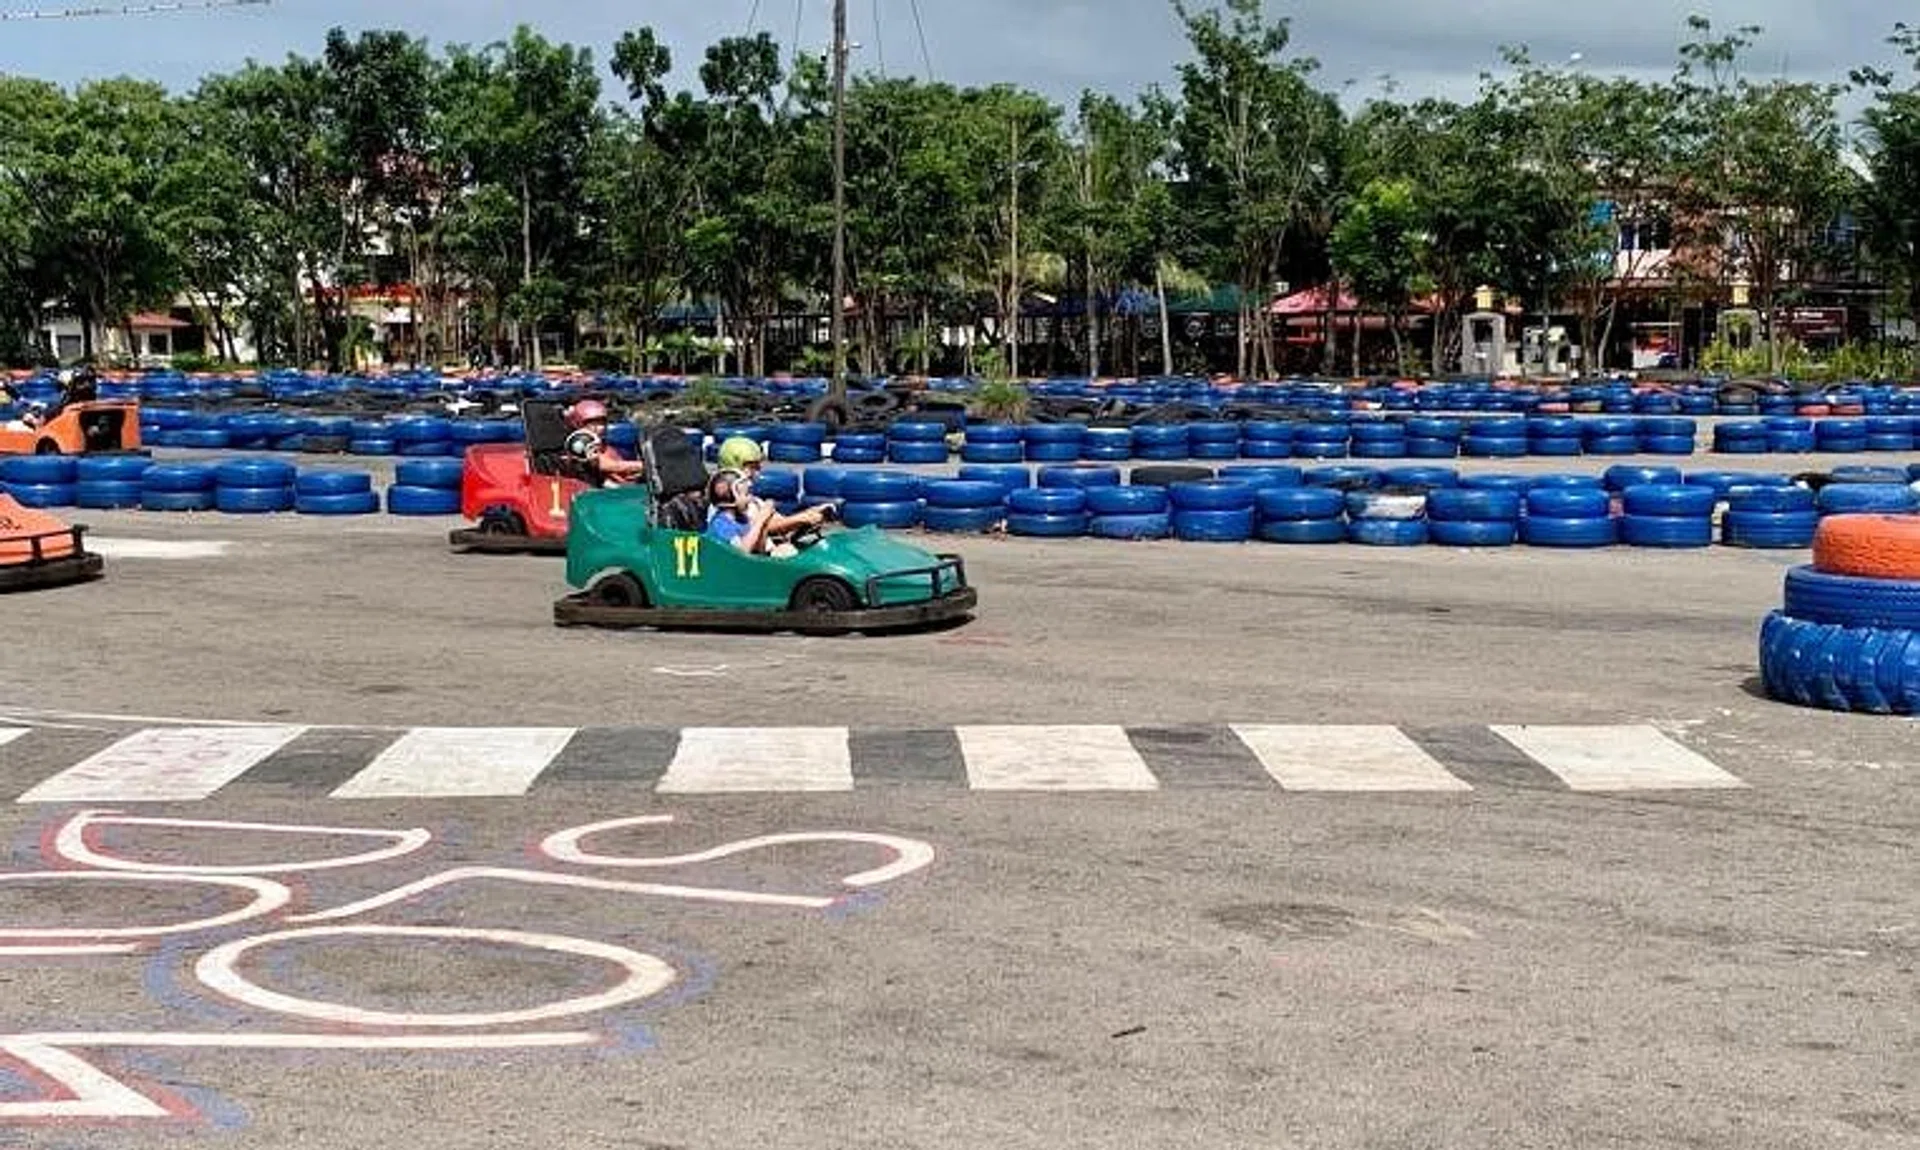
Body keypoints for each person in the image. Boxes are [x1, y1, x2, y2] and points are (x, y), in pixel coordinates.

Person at [704, 468, 834, 556]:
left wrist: (764, 523)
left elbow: (760, 549)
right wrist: (761, 519)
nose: (750, 487)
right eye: (746, 493)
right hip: (731, 573)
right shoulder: (721, 523)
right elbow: (741, 553)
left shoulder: (741, 518)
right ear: (730, 496)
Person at [563, 399, 647, 487]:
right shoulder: (578, 446)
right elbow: (609, 465)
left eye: (601, 423)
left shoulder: (604, 445)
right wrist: (645, 465)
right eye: (593, 424)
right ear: (578, 424)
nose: (600, 428)